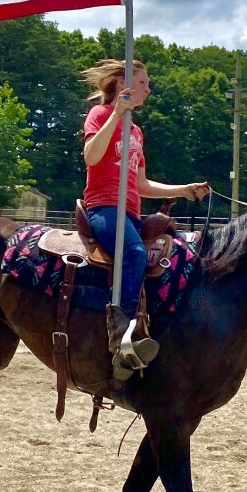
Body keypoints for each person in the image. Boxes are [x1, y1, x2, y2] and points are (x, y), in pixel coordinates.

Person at [80, 58, 210, 375]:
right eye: (142, 83)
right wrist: (117, 115)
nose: (148, 89)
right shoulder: (100, 115)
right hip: (103, 207)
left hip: (130, 210)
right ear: (122, 85)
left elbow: (140, 185)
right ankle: (120, 333)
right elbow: (91, 157)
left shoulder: (137, 132)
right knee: (135, 253)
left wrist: (182, 189)